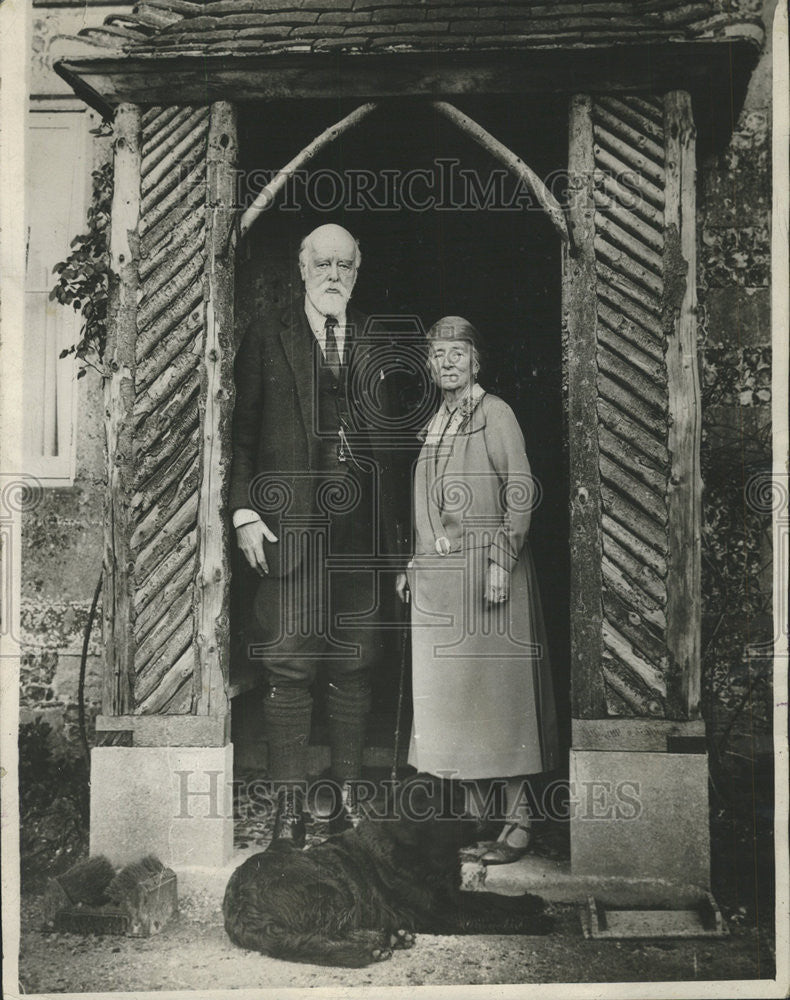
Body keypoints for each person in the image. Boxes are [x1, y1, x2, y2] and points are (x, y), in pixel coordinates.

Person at [230, 223, 399, 845]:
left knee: (356, 664)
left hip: (358, 541)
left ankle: (350, 801)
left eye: (344, 265)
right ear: (302, 270)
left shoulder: (377, 340)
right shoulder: (268, 335)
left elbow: (394, 450)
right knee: (289, 666)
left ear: (357, 271)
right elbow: (241, 435)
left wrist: (399, 546)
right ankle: (287, 809)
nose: (333, 274)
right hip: (288, 532)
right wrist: (244, 512)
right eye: (322, 263)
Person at [395, 315, 558, 864]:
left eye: (457, 353)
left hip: (489, 578)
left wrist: (501, 561)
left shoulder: (496, 414)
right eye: (438, 354)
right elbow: (425, 506)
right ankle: (474, 820)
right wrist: (412, 566)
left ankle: (519, 821)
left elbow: (521, 490)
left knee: (500, 702)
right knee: (456, 703)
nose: (447, 362)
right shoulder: (435, 423)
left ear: (476, 361)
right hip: (443, 584)